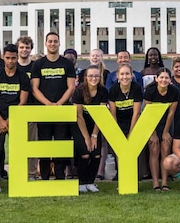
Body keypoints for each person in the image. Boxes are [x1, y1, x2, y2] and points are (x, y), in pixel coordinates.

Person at [30, 32, 76, 181]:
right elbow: (34, 88)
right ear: (45, 43)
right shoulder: (38, 64)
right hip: (43, 110)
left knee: (61, 143)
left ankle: (60, 176)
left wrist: (59, 104)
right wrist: (48, 104)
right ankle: (44, 176)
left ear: (59, 43)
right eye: (50, 41)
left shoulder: (67, 63)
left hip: (62, 110)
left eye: (55, 41)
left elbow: (71, 87)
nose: (52, 44)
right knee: (44, 143)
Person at [0, 45, 30, 194]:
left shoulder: (23, 77)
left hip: (16, 119)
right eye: (8, 58)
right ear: (3, 58)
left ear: (17, 57)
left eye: (13, 58)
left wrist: (9, 121)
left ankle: (19, 179)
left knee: (18, 151)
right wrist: (1, 120)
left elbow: (22, 101)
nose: (10, 61)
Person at [73, 66, 109, 193]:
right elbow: (79, 116)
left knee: (96, 154)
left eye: (96, 76)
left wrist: (94, 135)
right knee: (85, 154)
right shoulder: (78, 91)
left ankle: (90, 182)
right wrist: (87, 138)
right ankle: (82, 182)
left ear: (100, 78)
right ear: (86, 78)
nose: (94, 78)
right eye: (91, 76)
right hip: (79, 125)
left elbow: (101, 115)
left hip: (95, 125)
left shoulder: (103, 91)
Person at [144, 68, 178, 191]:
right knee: (154, 150)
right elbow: (147, 114)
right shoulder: (150, 91)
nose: (164, 80)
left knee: (165, 150)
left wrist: (165, 132)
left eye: (166, 78)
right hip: (152, 123)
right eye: (161, 77)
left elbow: (171, 113)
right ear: (156, 79)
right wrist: (152, 133)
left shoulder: (174, 91)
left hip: (167, 123)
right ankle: (155, 183)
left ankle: (164, 182)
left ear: (170, 79)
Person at [14, 35, 40, 180]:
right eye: (22, 47)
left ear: (31, 49)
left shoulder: (35, 66)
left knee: (32, 144)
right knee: (17, 144)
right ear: (17, 49)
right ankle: (18, 173)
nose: (24, 50)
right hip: (16, 110)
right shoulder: (13, 65)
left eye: (27, 47)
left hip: (32, 109)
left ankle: (31, 174)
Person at [108, 64, 143, 139]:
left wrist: (131, 133)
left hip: (133, 122)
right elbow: (113, 114)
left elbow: (136, 113)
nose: (124, 77)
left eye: (127, 74)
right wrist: (117, 133)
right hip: (119, 122)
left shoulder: (136, 88)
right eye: (122, 74)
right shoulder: (113, 89)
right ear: (118, 76)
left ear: (131, 75)